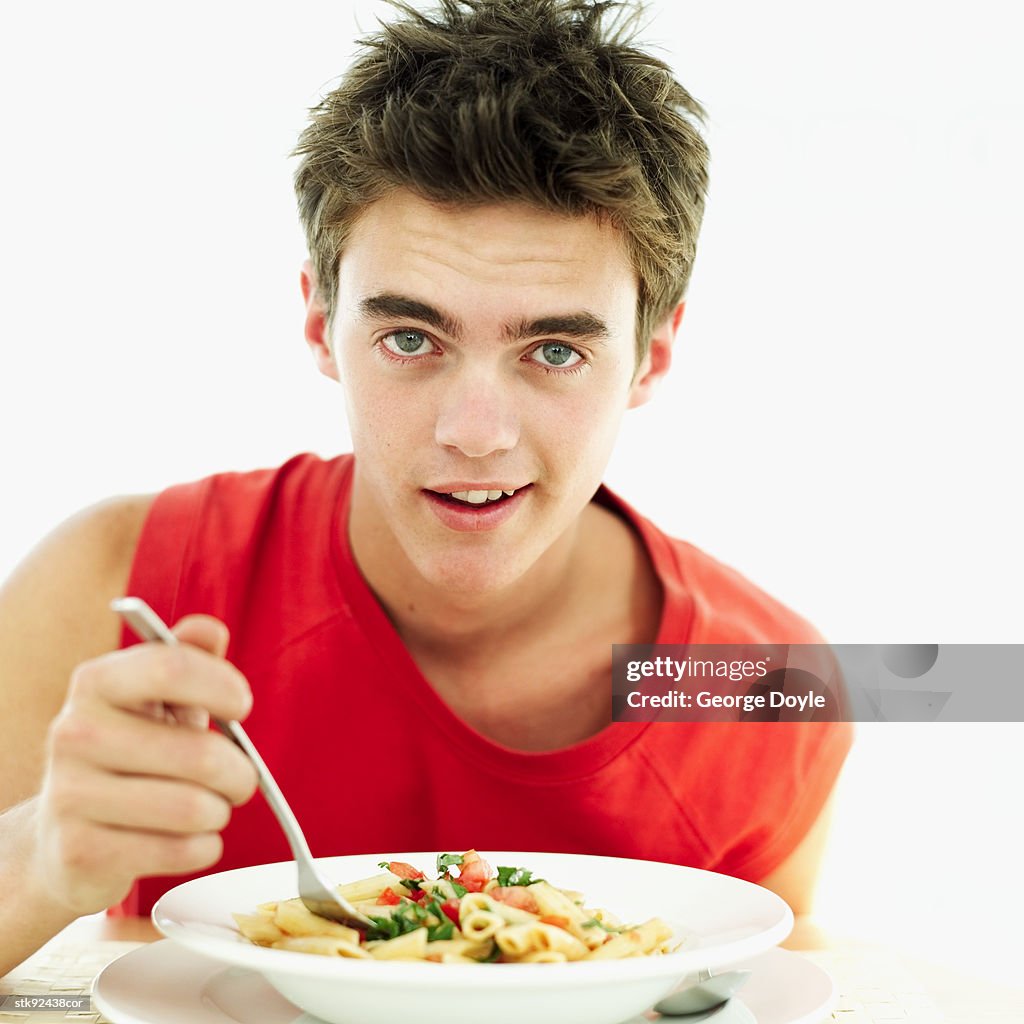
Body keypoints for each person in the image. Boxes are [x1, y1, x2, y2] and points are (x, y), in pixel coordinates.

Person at [0, 0, 852, 974]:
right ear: (320, 324)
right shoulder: (119, 582)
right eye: (411, 339)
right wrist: (36, 858)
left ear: (650, 356)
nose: (474, 433)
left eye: (556, 349)